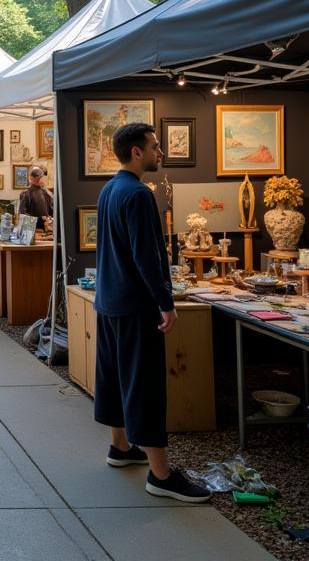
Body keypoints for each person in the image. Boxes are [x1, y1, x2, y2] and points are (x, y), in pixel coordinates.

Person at [95, 122, 210, 503]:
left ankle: (121, 448)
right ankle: (160, 474)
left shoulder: (109, 189)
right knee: (144, 384)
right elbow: (148, 257)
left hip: (110, 301)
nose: (161, 152)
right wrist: (166, 302)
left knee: (114, 376)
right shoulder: (139, 195)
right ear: (137, 152)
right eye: (155, 146)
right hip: (135, 305)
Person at [19, 165, 54, 232]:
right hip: (34, 231)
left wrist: (50, 219)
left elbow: (52, 211)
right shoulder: (26, 194)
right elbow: (23, 215)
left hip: (48, 230)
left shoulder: (47, 193)